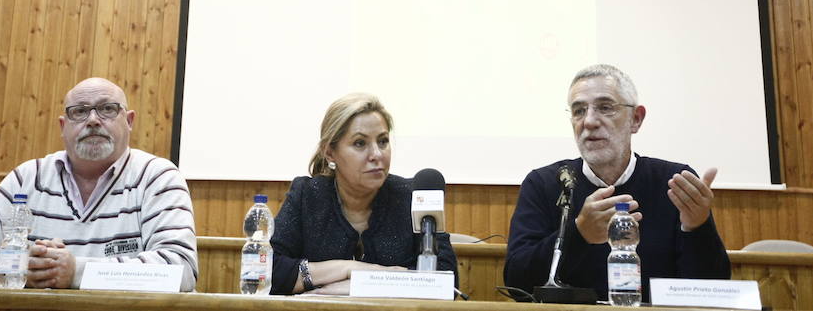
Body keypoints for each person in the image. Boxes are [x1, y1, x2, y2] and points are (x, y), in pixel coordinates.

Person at [0, 77, 198, 291]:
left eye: (107, 109)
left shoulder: (158, 177)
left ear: (129, 121)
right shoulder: (28, 178)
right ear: (63, 126)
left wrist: (76, 272)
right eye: (80, 112)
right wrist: (20, 266)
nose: (93, 120)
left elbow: (181, 270)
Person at [504, 64, 730, 301]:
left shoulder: (674, 183)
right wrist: (579, 234)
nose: (589, 121)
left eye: (605, 107)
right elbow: (516, 282)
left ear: (636, 119)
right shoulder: (545, 184)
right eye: (579, 110)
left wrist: (697, 229)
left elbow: (712, 290)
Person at [270, 93, 458, 295]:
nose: (377, 154)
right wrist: (350, 269)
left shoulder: (411, 197)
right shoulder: (307, 195)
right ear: (330, 152)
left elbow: (446, 279)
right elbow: (270, 271)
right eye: (360, 143)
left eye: (383, 141)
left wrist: (356, 285)